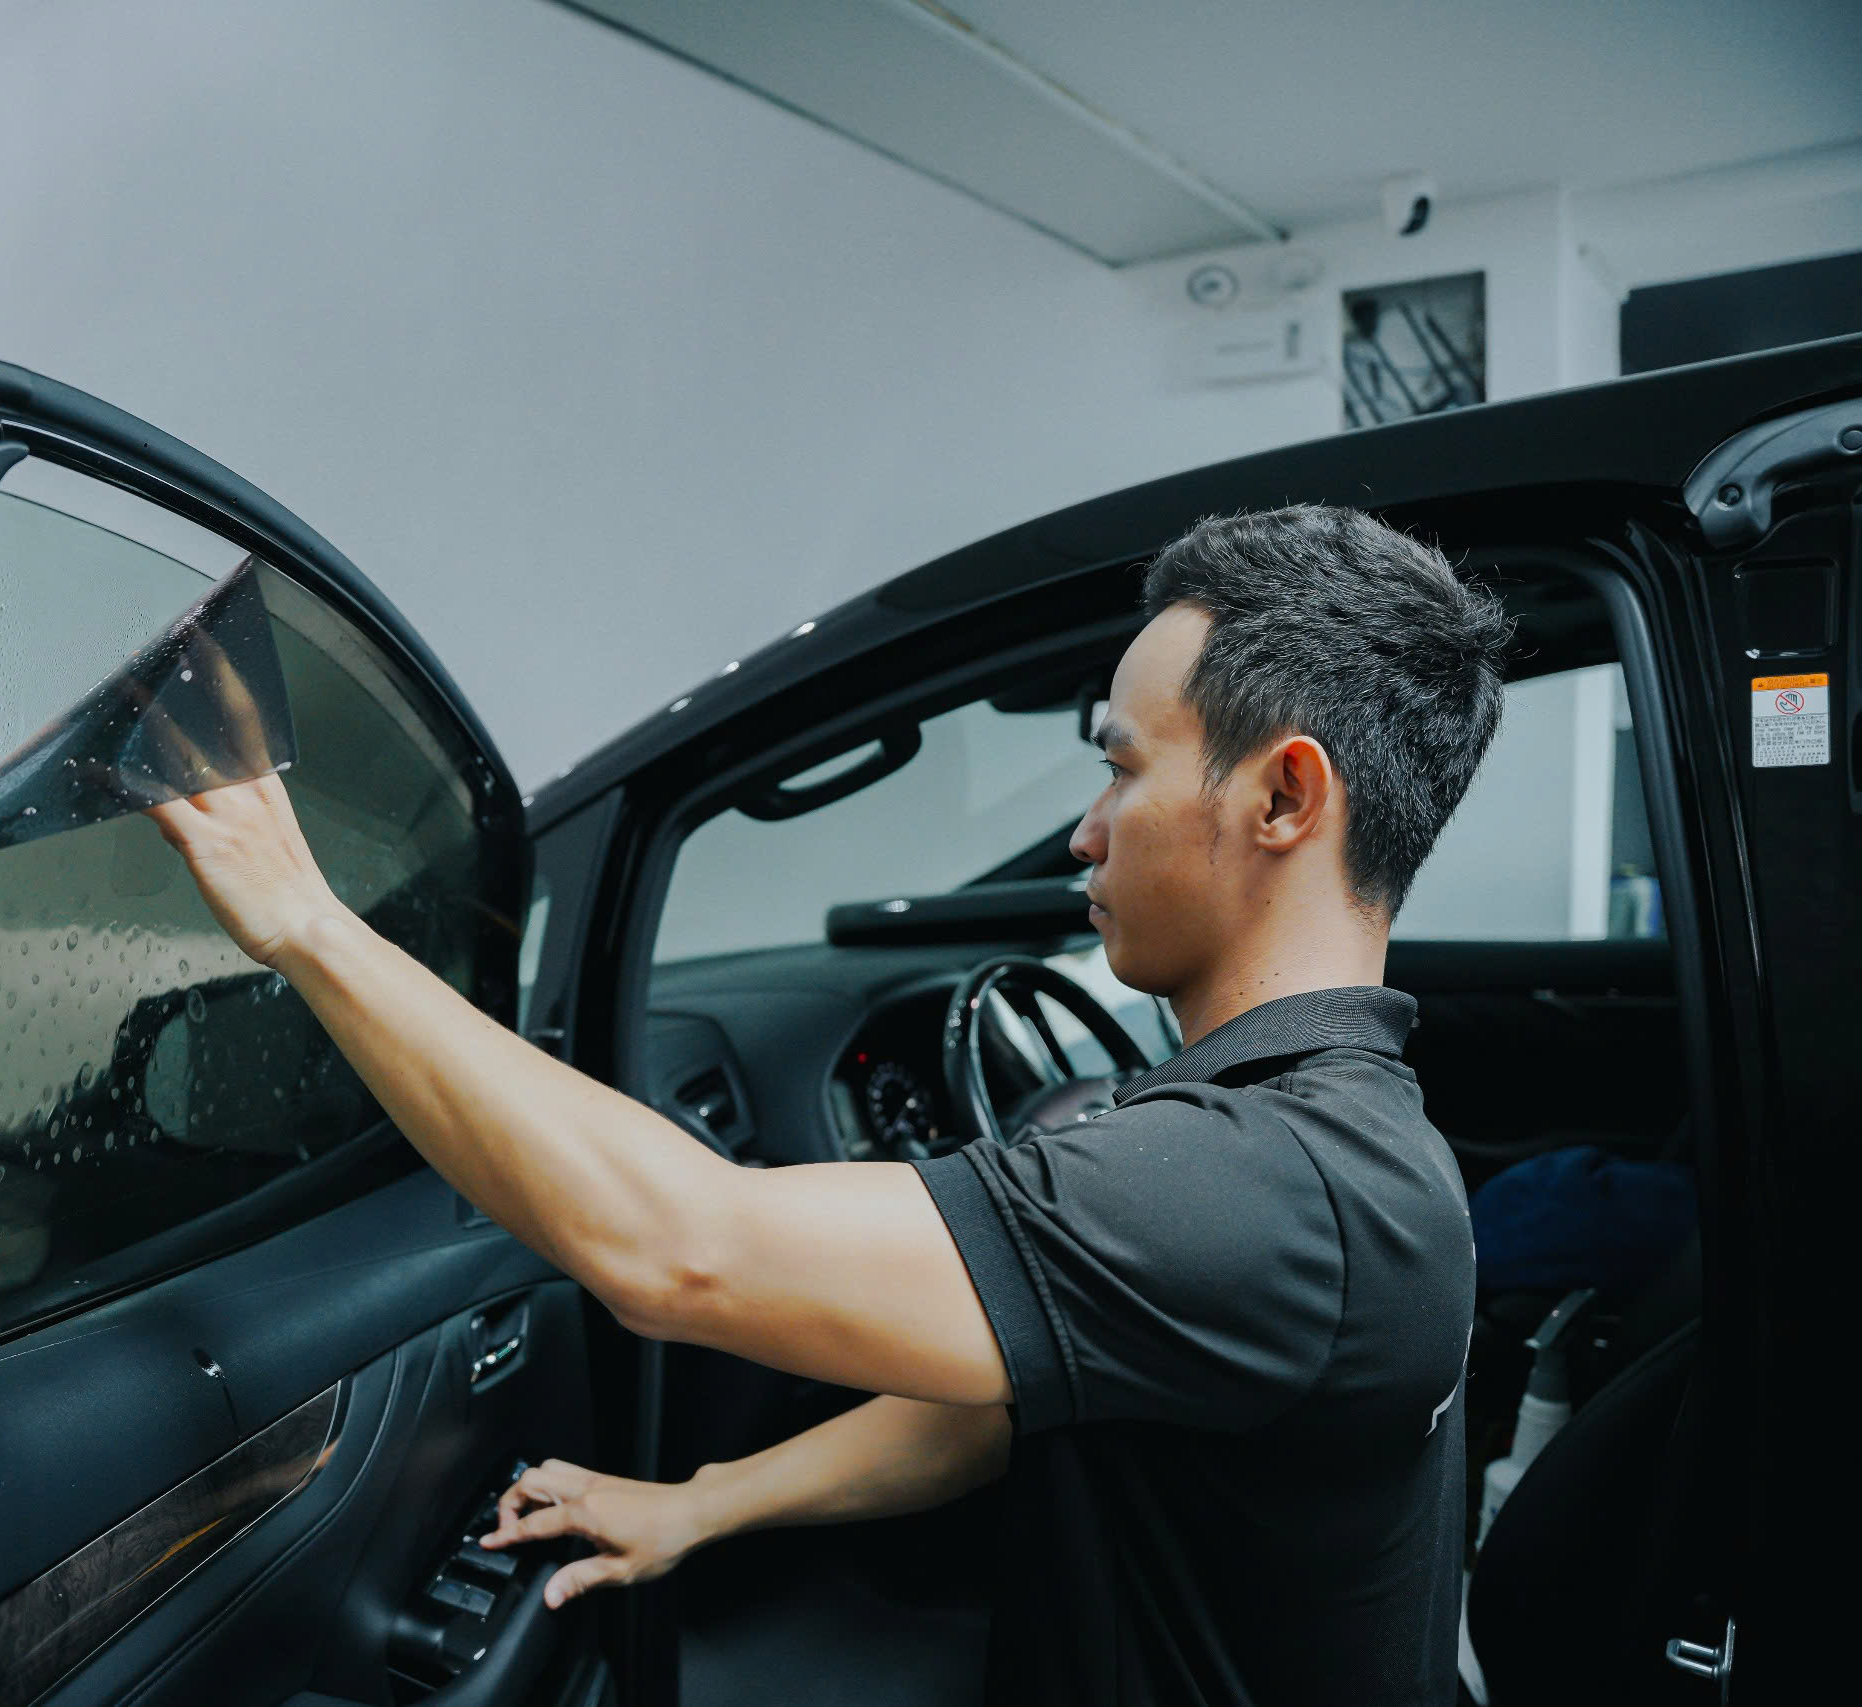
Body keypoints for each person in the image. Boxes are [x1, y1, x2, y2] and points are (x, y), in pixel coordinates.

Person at [145, 503, 1512, 1707]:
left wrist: (304, 918)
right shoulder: (1332, 1133)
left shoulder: (1267, 1185)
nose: (1087, 833)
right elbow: (1006, 1394)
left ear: (1285, 795)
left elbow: (678, 1250)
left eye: (1121, 768)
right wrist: (703, 1504)